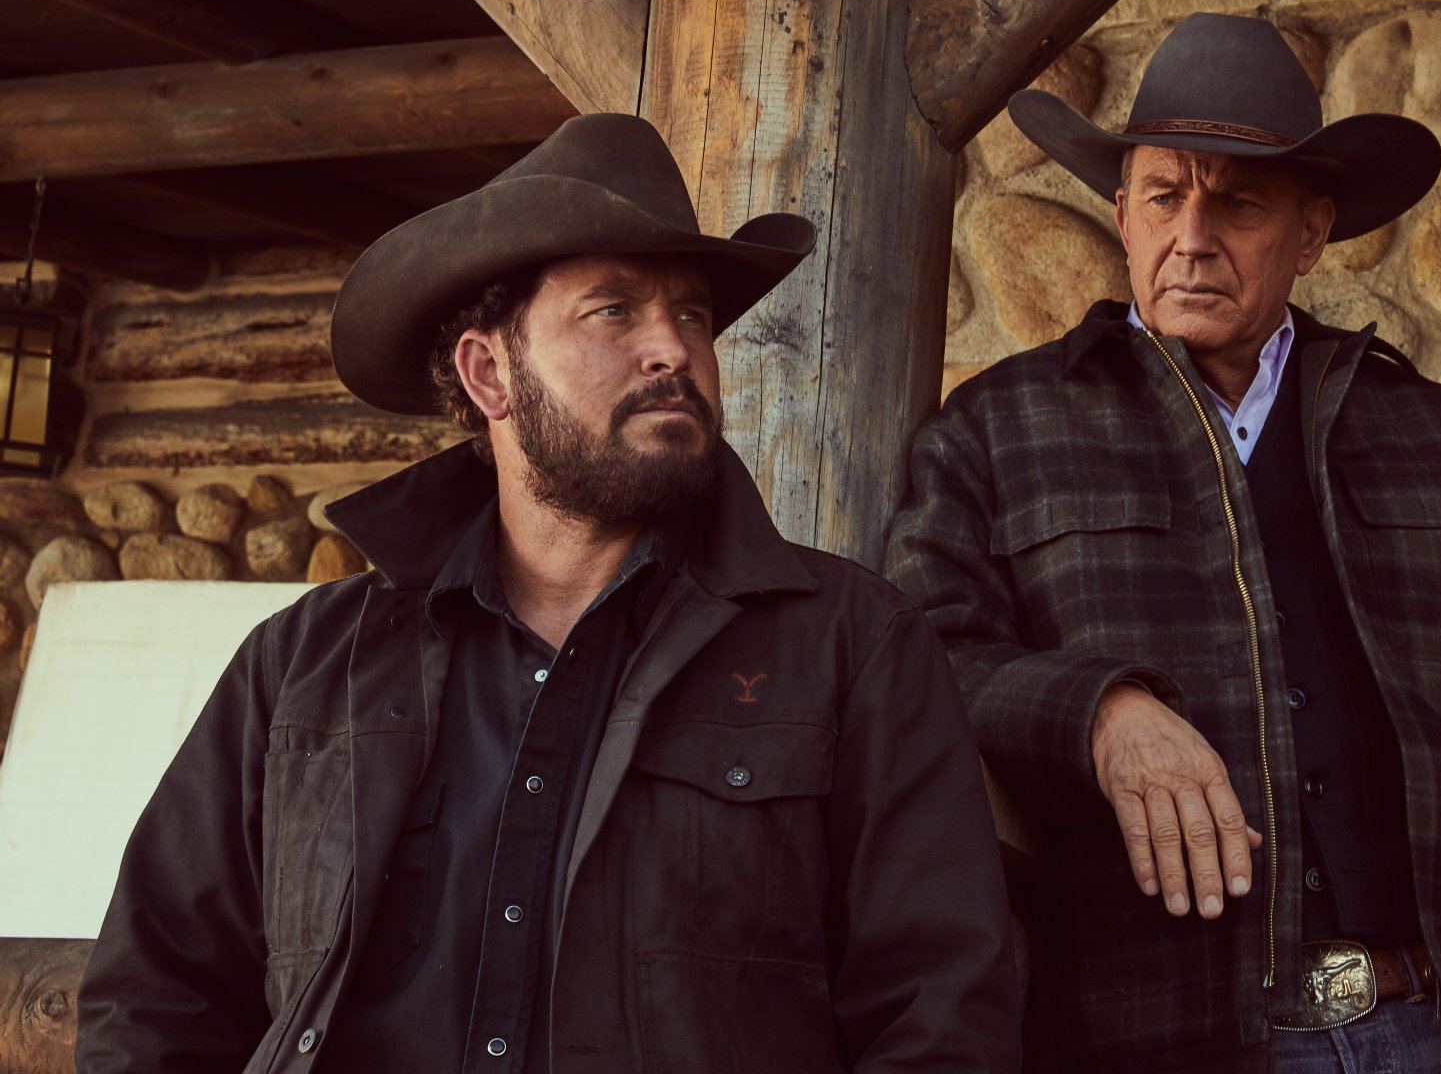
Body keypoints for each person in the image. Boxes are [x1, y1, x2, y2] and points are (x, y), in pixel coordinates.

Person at [77, 114, 1018, 1074]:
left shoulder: (853, 645)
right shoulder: (304, 664)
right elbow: (154, 996)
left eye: (693, 315)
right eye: (614, 311)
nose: (673, 349)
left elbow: (941, 1016)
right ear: (489, 373)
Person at [885, 13, 1441, 1073]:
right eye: (1164, 196)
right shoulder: (995, 432)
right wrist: (1102, 712)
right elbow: (918, 658)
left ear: (1311, 233)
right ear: (1122, 217)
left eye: (1240, 202)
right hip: (1162, 1046)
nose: (1192, 235)